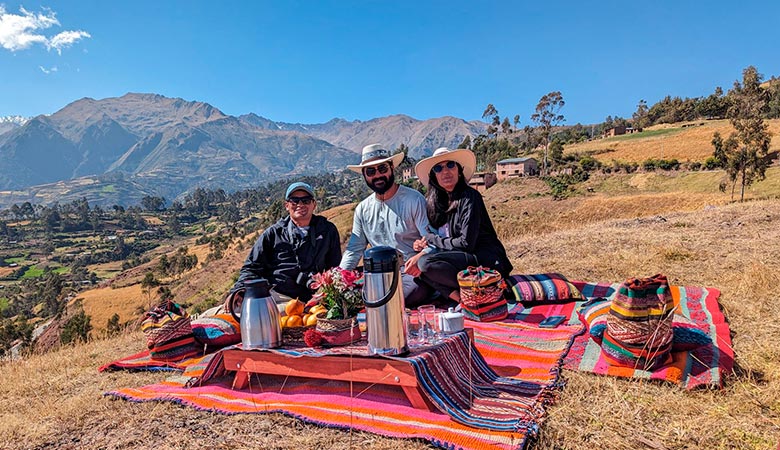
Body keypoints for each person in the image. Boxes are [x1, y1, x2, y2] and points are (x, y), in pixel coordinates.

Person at [412, 147, 513, 303]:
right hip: (463, 260)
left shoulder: (470, 197)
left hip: (484, 260)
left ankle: (481, 290)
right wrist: (424, 244)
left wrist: (431, 239)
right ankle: (463, 299)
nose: (445, 171)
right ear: (434, 176)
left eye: (450, 165)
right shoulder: (438, 204)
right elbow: (443, 240)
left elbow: (466, 243)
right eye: (439, 168)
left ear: (459, 170)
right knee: (420, 270)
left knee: (426, 263)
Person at [340, 143, 434, 307]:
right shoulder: (362, 209)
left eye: (382, 168)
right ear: (364, 175)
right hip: (377, 273)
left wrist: (421, 257)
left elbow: (431, 240)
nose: (377, 175)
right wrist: (339, 279)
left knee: (397, 298)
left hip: (410, 272)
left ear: (391, 168)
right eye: (370, 171)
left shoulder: (413, 199)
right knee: (349, 296)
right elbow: (354, 250)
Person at [230, 182, 342, 310]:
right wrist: (238, 290)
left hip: (316, 297)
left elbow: (335, 268)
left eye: (306, 200)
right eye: (294, 201)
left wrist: (324, 291)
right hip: (278, 296)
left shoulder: (327, 230)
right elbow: (252, 267)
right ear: (287, 205)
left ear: (314, 204)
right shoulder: (273, 233)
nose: (300, 205)